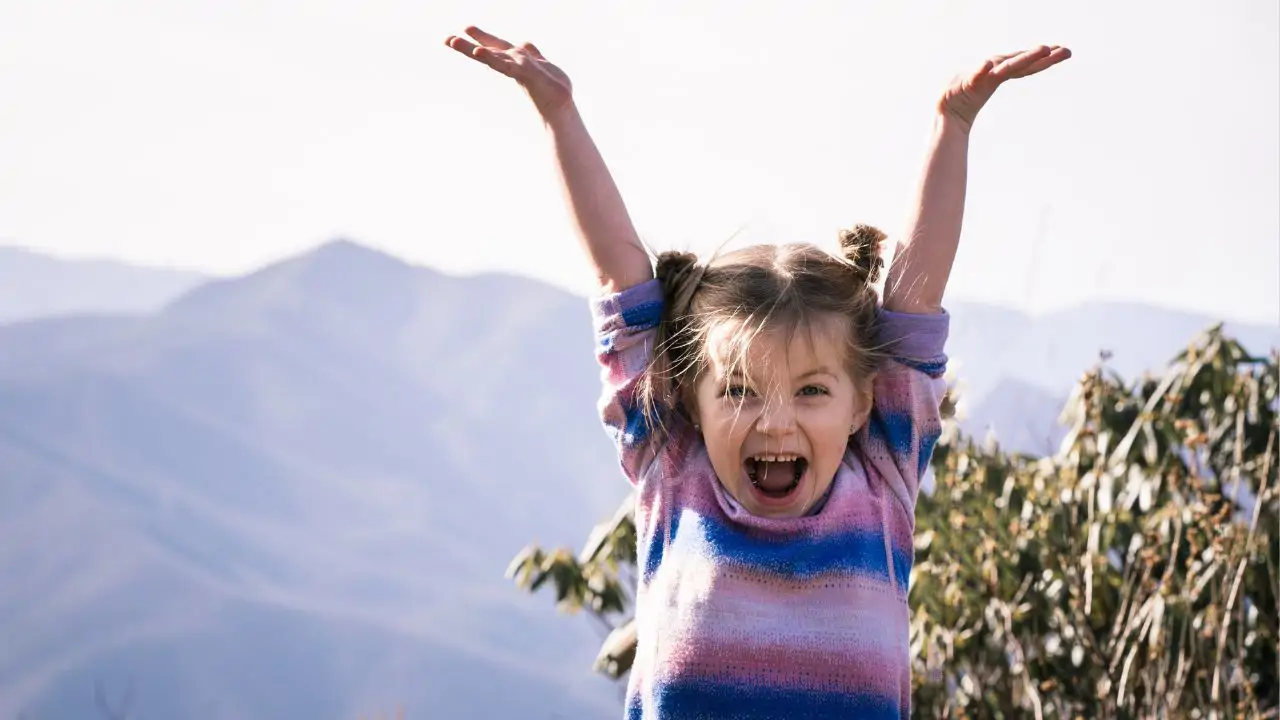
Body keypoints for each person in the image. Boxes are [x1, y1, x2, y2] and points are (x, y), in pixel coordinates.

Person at [445, 26, 1069, 719]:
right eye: (739, 390)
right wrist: (559, 115)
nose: (776, 421)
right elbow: (617, 279)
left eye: (811, 391)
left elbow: (915, 298)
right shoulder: (672, 467)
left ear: (863, 401)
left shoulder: (883, 476)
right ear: (687, 394)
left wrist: (952, 124)